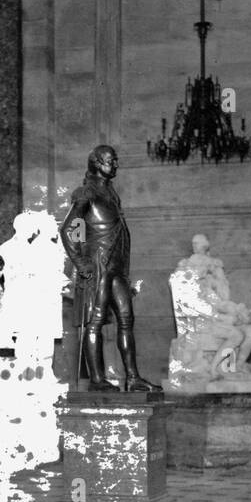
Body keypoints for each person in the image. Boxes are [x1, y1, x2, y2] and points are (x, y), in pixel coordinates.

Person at [59, 145, 160, 392]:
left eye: (115, 160)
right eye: (110, 160)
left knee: (127, 319)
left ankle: (133, 378)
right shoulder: (86, 193)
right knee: (94, 321)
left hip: (116, 268)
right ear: (96, 162)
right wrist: (82, 263)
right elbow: (70, 229)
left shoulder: (111, 193)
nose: (115, 164)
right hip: (98, 264)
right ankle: (96, 380)